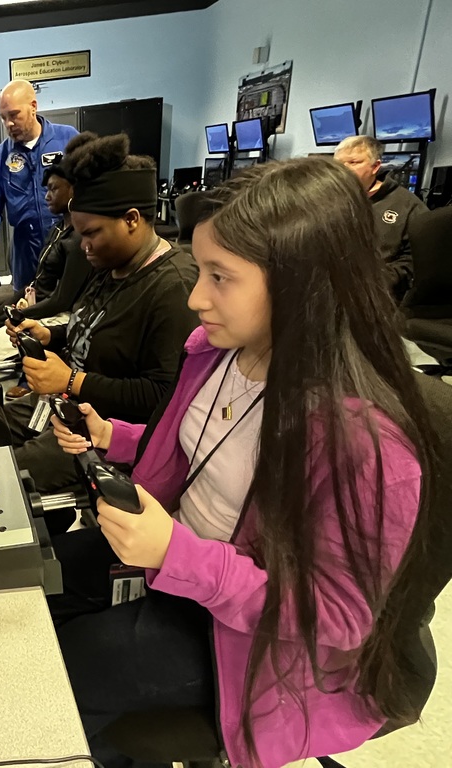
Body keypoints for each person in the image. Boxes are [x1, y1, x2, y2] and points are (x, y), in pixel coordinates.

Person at [49, 157, 437, 768]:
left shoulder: (365, 444)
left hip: (249, 629)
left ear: (297, 284)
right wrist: (114, 437)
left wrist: (177, 556)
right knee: (36, 585)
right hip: (177, 554)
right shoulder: (217, 350)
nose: (196, 296)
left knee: (66, 672)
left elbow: (339, 618)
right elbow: (203, 446)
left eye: (220, 277)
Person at [3, 133, 198, 512]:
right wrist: (49, 334)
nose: (84, 246)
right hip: (71, 405)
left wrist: (72, 381)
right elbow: (99, 328)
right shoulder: (112, 263)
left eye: (92, 233)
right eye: (80, 234)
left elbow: (164, 398)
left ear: (131, 220)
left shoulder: (173, 288)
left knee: (1, 477)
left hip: (109, 432)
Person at [0, 133, 94, 340]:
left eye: (53, 189)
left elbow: (61, 300)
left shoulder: (78, 240)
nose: (47, 196)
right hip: (30, 271)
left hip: (52, 311)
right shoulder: (58, 229)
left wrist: (19, 314)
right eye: (4, 118)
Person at [0, 80, 78, 290]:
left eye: (14, 115)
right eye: (3, 118)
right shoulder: (0, 157)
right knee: (27, 305)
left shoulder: (68, 139)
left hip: (68, 243)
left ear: (33, 107)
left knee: (71, 301)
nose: (8, 124)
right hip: (26, 253)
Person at [334, 135, 424, 302]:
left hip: (378, 296)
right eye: (339, 164)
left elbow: (416, 261)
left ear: (375, 167)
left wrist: (379, 280)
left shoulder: (407, 205)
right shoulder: (325, 200)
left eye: (353, 162)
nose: (344, 169)